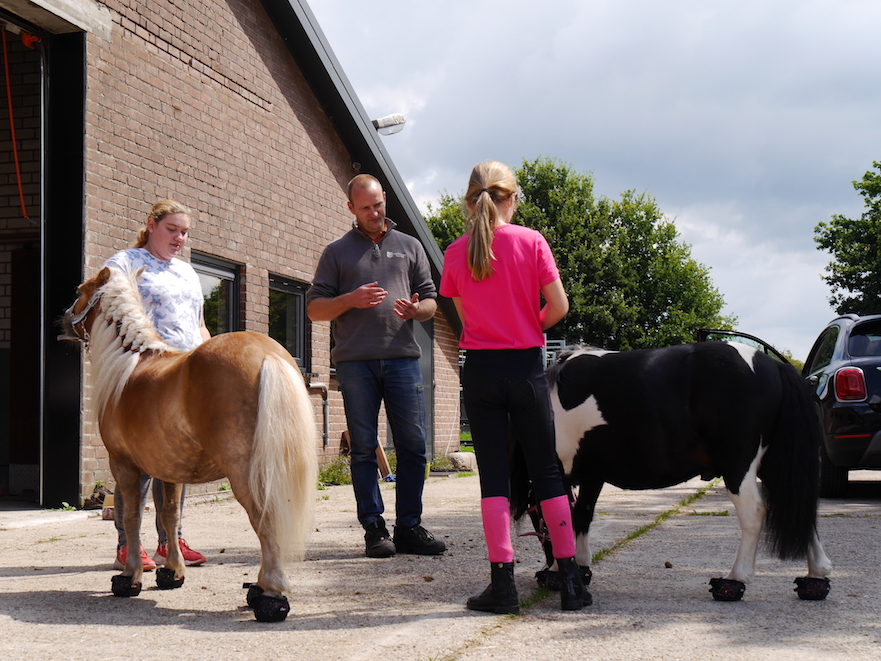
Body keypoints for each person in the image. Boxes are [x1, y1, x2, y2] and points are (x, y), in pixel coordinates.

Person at [440, 161, 590, 613]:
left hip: (482, 371)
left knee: (494, 480)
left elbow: (468, 321)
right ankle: (570, 583)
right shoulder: (532, 241)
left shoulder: (455, 252)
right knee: (547, 473)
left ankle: (502, 587)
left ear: (470, 201)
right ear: (513, 198)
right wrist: (529, 327)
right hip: (526, 367)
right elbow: (559, 306)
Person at [307, 174, 446, 558]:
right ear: (351, 208)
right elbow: (315, 309)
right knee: (365, 449)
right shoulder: (336, 252)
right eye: (365, 207)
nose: (374, 213)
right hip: (356, 364)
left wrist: (417, 310)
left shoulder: (410, 246)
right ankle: (374, 528)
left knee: (414, 447)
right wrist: (350, 298)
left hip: (403, 360)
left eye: (378, 204)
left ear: (385, 199)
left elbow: (433, 302)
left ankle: (409, 527)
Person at [104, 199, 211, 571]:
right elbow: (108, 311)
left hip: (186, 372)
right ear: (151, 225)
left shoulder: (187, 272)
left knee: (179, 457)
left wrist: (207, 357)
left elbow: (198, 323)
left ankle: (171, 541)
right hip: (144, 375)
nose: (179, 238)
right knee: (138, 460)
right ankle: (127, 544)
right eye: (172, 229)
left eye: (184, 232)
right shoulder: (125, 263)